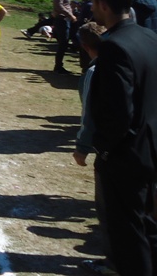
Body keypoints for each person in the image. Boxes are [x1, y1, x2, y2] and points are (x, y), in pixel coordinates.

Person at [87, 0, 157, 275]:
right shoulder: (149, 36)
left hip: (127, 154)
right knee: (146, 224)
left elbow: (118, 112)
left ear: (103, 5)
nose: (91, 8)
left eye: (92, 2)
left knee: (125, 229)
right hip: (151, 146)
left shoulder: (113, 46)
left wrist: (103, 149)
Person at [71, 22, 116, 276]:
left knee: (110, 207)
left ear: (84, 46)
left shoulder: (95, 70)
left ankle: (115, 263)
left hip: (111, 148)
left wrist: (82, 146)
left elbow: (89, 114)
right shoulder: (126, 62)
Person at [53, 0, 79, 74]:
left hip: (65, 20)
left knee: (64, 43)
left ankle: (59, 66)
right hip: (62, 20)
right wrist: (70, 15)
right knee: (63, 43)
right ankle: (58, 66)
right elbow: (58, 5)